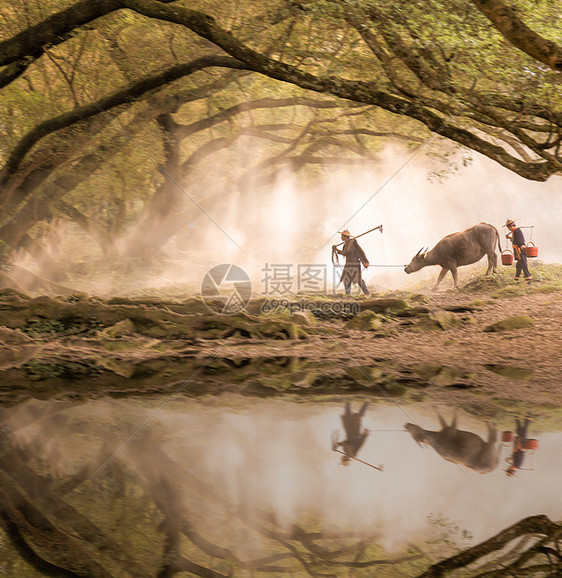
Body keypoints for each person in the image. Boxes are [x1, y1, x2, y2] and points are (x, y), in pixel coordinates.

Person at [332, 230, 370, 295]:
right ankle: (348, 295)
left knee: (357, 279)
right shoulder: (348, 243)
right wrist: (337, 250)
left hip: (353, 264)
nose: (341, 237)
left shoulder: (351, 242)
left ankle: (367, 294)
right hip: (350, 264)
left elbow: (346, 252)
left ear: (345, 236)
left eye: (342, 236)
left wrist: (337, 250)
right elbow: (346, 252)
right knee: (348, 279)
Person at [505, 219, 532, 283]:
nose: (509, 229)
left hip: (520, 249)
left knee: (523, 263)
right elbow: (515, 240)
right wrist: (509, 238)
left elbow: (521, 240)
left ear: (510, 227)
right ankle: (516, 277)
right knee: (519, 264)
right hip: (517, 249)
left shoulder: (517, 231)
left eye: (509, 228)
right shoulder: (514, 232)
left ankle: (528, 277)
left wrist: (522, 245)